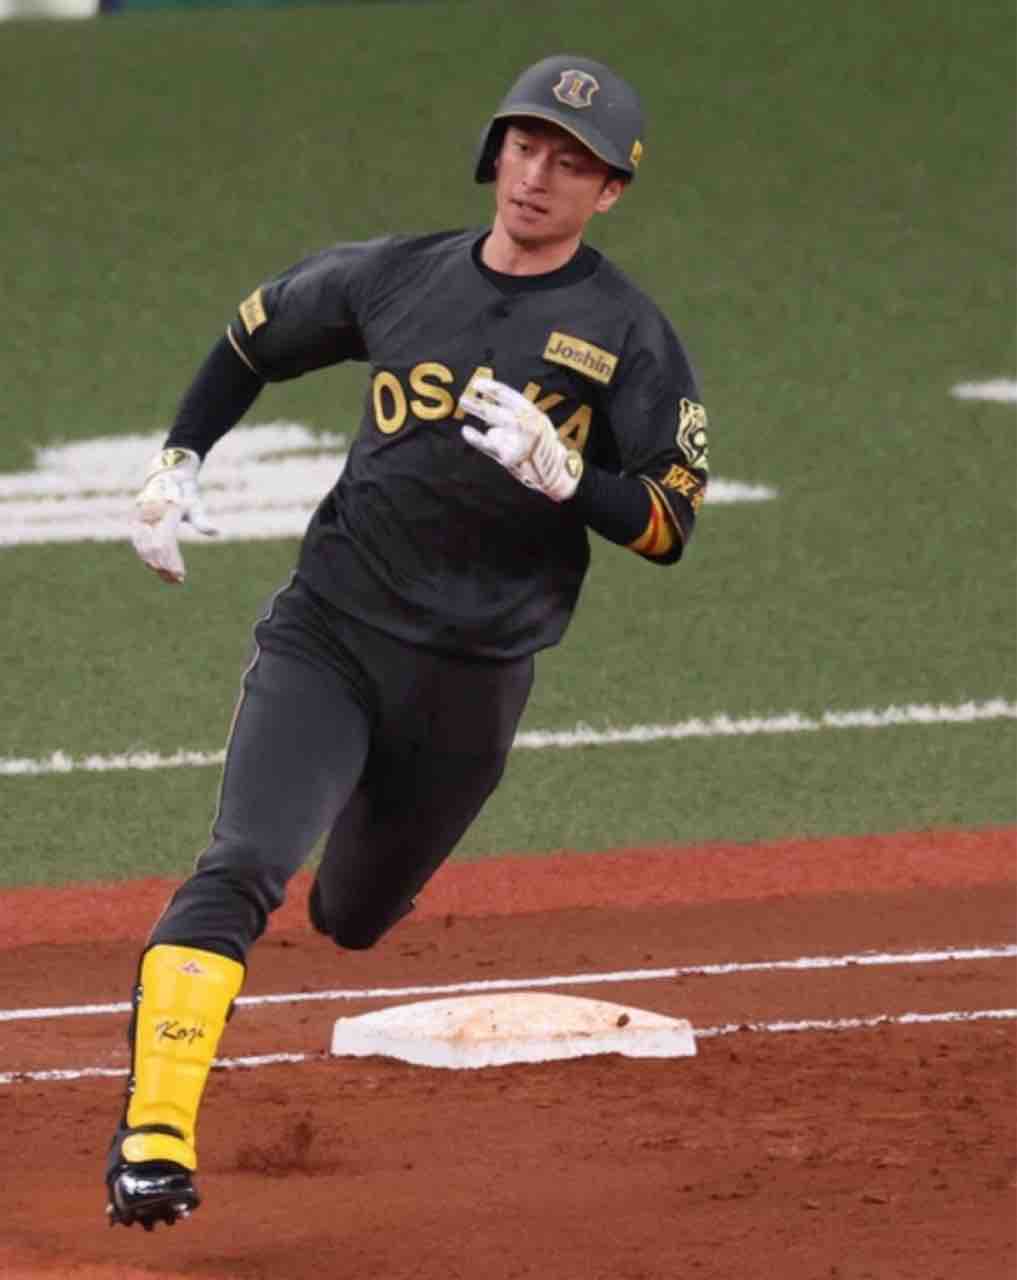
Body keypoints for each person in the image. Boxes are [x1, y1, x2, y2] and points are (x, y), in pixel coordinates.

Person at [105, 52, 711, 1230]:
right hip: (330, 636)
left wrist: (571, 475)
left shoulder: (629, 335)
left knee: (352, 915)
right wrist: (179, 458)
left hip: (473, 682)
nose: (536, 176)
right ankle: (153, 1139)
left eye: (571, 163)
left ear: (610, 191)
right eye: (525, 146)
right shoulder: (399, 275)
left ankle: (352, 882)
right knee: (242, 863)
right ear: (496, 152)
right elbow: (253, 336)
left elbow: (669, 520)